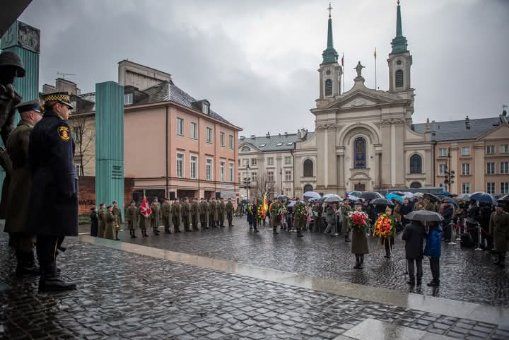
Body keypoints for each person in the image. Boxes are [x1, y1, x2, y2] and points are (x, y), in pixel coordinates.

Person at [26, 92, 77, 292]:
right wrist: (68, 189)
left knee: (45, 233)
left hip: (41, 185)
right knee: (55, 232)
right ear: (56, 106)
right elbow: (63, 160)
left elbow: (33, 161)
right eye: (67, 106)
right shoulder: (60, 127)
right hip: (57, 187)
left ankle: (48, 274)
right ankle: (50, 277)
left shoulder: (39, 126)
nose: (68, 111)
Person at [4, 100, 42, 277]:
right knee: (26, 222)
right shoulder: (27, 131)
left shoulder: (14, 132)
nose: (41, 117)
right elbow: (33, 158)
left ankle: (24, 264)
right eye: (39, 114)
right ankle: (26, 266)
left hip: (17, 181)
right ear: (32, 115)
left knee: (19, 222)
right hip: (27, 182)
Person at [0, 51, 25, 222]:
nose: (14, 75)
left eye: (16, 72)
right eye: (10, 70)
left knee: (15, 172)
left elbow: (8, 128)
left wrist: (13, 151)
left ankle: (9, 221)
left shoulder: (12, 97)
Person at [402, 219, 426, 286]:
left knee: (411, 264)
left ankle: (412, 280)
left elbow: (404, 237)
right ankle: (419, 280)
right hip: (419, 248)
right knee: (419, 264)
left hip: (410, 248)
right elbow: (424, 236)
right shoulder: (422, 226)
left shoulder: (408, 226)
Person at [489, 201, 509, 268]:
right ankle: (498, 260)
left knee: (503, 248)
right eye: (497, 207)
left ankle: (502, 261)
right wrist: (490, 232)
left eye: (500, 208)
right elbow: (491, 223)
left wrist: (507, 233)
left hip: (503, 233)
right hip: (496, 233)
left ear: (502, 209)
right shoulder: (493, 214)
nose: (498, 209)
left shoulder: (506, 215)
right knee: (497, 247)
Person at [350, 202, 369, 269]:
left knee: (362, 248)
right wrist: (353, 224)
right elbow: (350, 224)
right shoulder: (352, 214)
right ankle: (357, 262)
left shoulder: (364, 214)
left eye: (359, 206)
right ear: (355, 207)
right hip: (355, 233)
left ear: (361, 207)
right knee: (356, 248)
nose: (358, 207)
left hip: (362, 233)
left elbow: (367, 224)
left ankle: (361, 262)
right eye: (356, 206)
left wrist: (363, 226)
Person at [424, 222, 442, 287]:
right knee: (436, 266)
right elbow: (429, 239)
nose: (429, 223)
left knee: (434, 266)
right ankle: (436, 279)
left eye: (430, 222)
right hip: (436, 252)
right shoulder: (435, 230)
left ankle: (435, 281)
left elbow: (433, 244)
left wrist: (430, 253)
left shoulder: (434, 232)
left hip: (433, 252)